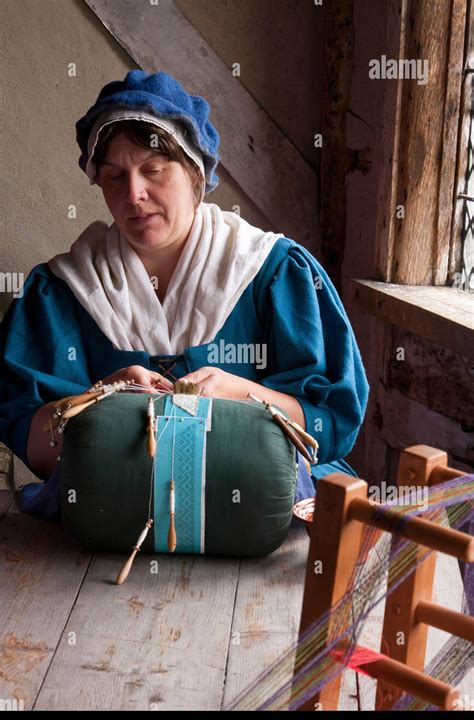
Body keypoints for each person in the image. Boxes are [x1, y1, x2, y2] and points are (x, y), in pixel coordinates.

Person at [0, 70, 369, 518]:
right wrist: (98, 403)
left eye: (153, 170)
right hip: (111, 523)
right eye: (115, 176)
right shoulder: (63, 291)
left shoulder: (273, 273)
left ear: (195, 171)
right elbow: (29, 440)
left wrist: (240, 394)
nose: (134, 194)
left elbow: (329, 425)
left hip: (265, 523)